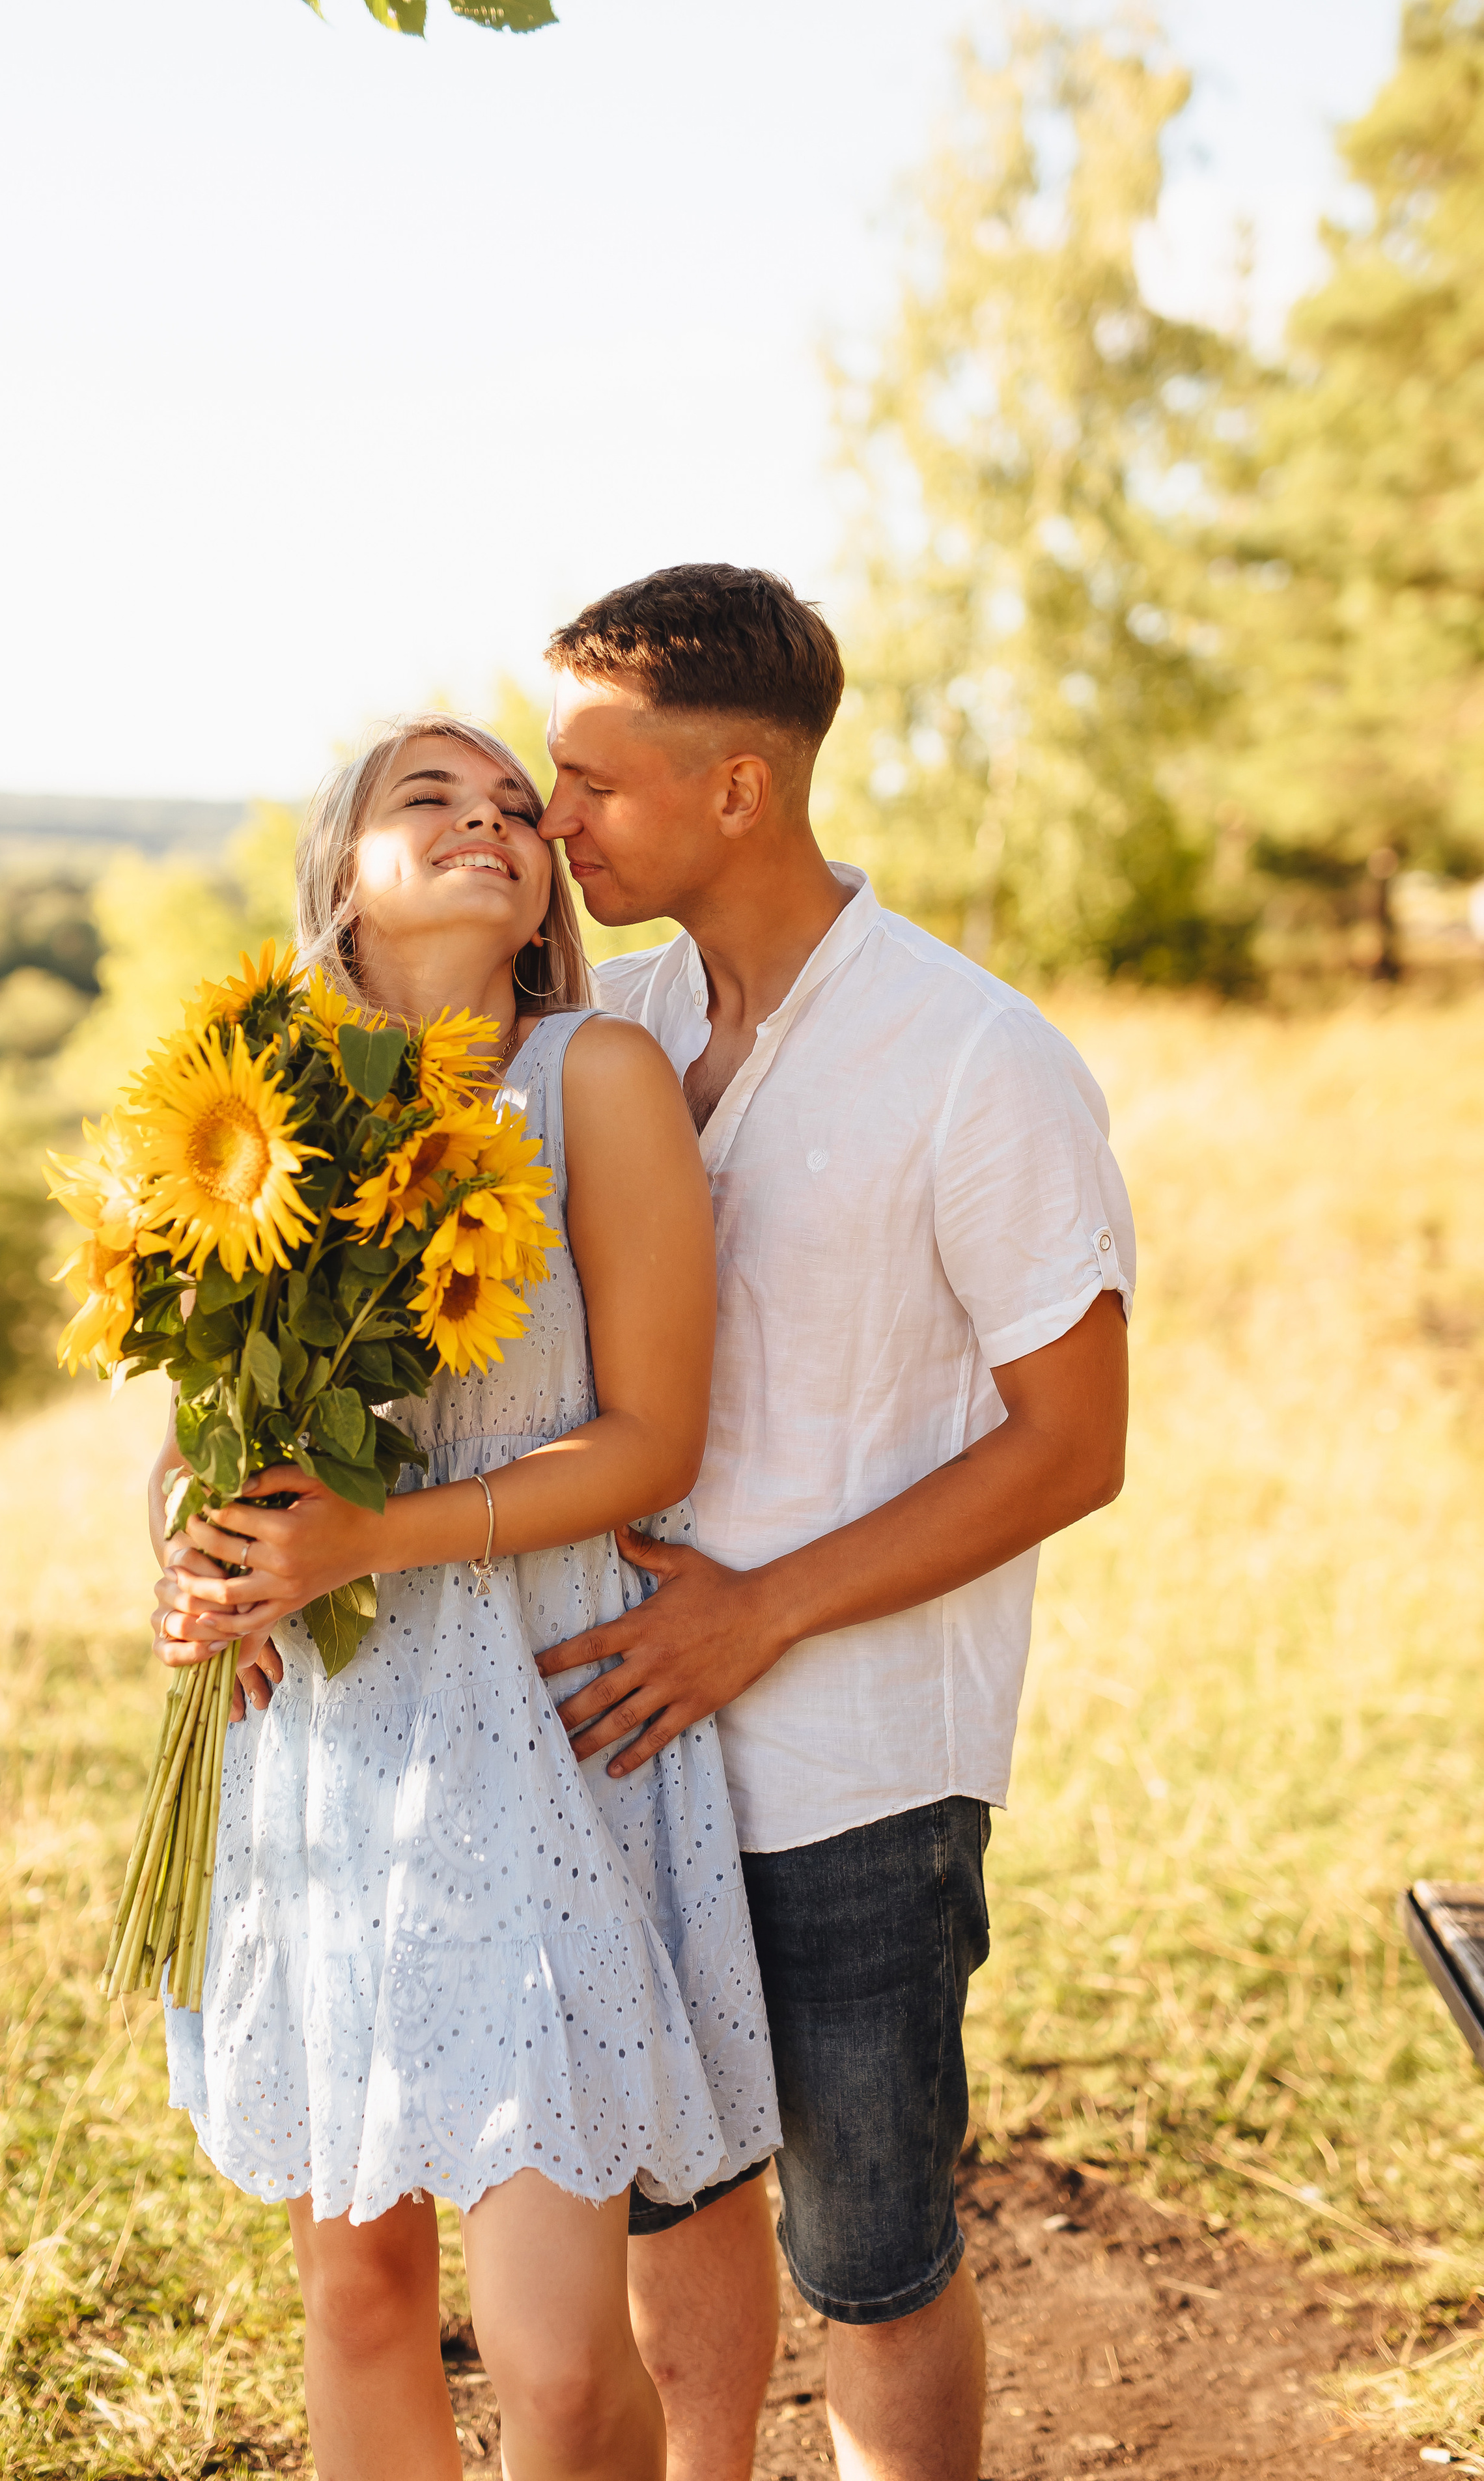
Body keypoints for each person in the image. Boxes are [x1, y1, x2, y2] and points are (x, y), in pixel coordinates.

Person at [532, 565, 1136, 2481]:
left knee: (872, 2258)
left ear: (739, 789)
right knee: (674, 2202)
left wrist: (762, 1611)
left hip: (861, 1772)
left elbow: (1076, 1446)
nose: (556, 817)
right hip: (623, 1735)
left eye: (592, 780)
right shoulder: (606, 1031)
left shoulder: (977, 1058)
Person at [148, 713, 780, 2481]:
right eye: (429, 799)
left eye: (515, 807)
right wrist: (187, 1565)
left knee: (557, 2361)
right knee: (358, 2296)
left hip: (536, 1724)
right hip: (319, 1735)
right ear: (344, 878)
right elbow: (196, 1437)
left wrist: (366, 1543)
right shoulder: (250, 1109)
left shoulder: (595, 1079)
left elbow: (653, 1442)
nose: (491, 821)